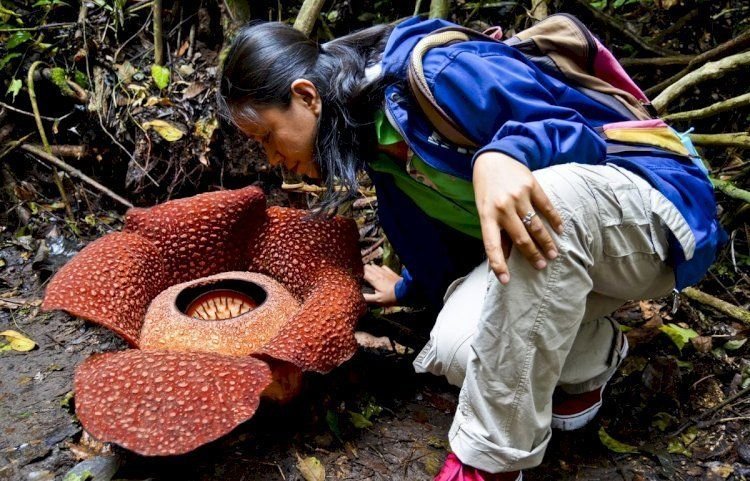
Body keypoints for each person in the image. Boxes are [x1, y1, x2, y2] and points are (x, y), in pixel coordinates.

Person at [217, 15, 725, 481]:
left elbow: (575, 133)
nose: (272, 158)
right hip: (562, 258)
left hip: (650, 211)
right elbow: (455, 245)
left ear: (306, 96)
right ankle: (593, 356)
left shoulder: (437, 70)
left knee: (547, 201)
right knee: (456, 346)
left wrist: (503, 154)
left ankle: (489, 464)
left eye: (266, 136)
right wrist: (411, 286)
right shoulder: (377, 148)